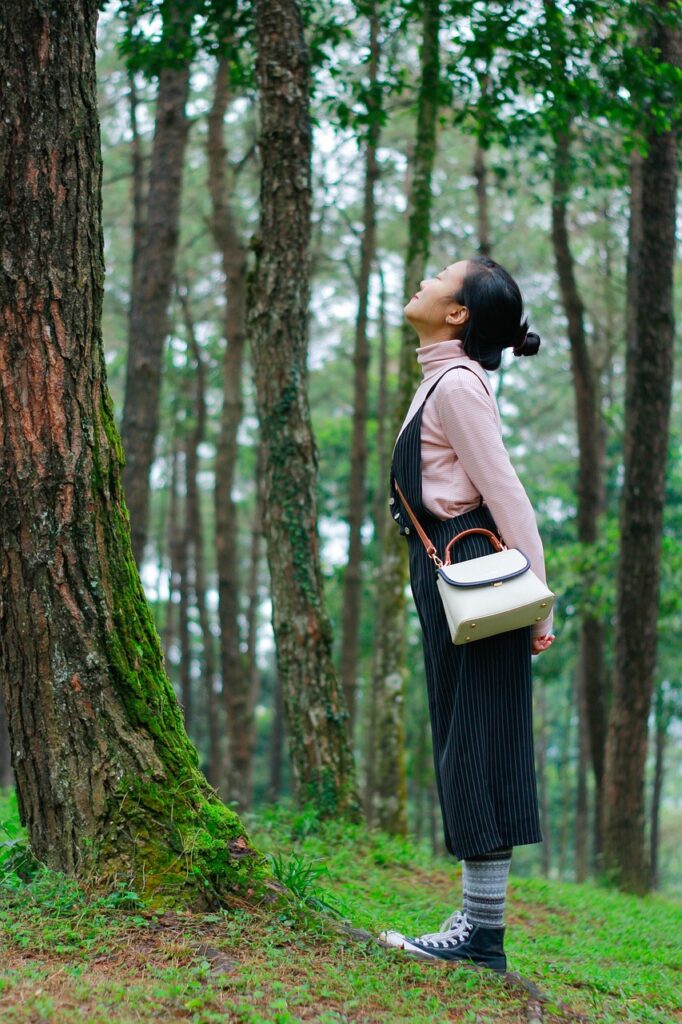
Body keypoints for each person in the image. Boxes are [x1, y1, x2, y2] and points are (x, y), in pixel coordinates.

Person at [378, 256, 556, 973]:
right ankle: (478, 929)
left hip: (476, 568)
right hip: (453, 567)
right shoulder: (444, 378)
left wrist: (538, 597)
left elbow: (506, 493)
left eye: (438, 279)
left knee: (475, 741)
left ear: (457, 315)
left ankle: (481, 937)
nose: (422, 280)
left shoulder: (456, 385)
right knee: (468, 736)